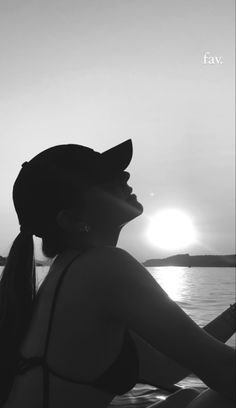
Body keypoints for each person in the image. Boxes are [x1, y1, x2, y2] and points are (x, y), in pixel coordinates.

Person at [0, 139, 235, 408]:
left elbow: (165, 369)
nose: (125, 174)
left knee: (187, 397)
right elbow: (224, 370)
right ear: (72, 220)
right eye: (101, 177)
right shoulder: (104, 267)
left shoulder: (73, 271)